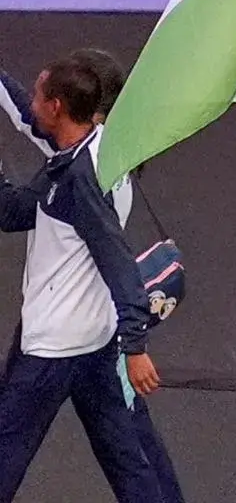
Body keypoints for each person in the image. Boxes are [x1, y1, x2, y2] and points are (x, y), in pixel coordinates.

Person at [0, 48, 186, 503]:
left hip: (52, 349)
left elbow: (116, 263)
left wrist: (137, 346)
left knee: (5, 452)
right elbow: (28, 116)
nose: (35, 99)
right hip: (98, 343)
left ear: (59, 108)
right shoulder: (104, 147)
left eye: (42, 93)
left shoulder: (76, 183)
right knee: (130, 461)